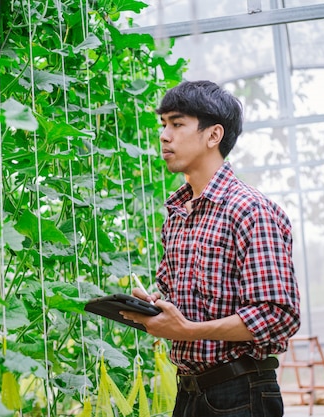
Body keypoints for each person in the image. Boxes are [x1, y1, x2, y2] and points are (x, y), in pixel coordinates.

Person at [120, 80, 301, 417]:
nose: (164, 136)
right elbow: (178, 301)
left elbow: (278, 316)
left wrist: (188, 331)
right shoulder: (177, 215)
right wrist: (154, 308)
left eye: (177, 124)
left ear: (213, 135)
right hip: (189, 391)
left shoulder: (250, 210)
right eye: (164, 125)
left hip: (241, 393)